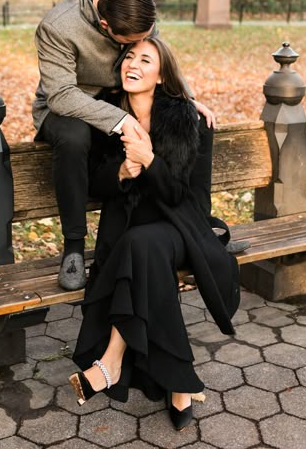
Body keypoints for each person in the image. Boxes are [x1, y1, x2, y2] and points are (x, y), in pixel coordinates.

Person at [69, 36, 240, 432]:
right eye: (130, 56)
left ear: (161, 75)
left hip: (183, 229)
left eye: (146, 60)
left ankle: (111, 362)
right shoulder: (108, 117)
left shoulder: (188, 119)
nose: (134, 64)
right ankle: (177, 381)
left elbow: (188, 197)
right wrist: (121, 173)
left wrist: (149, 161)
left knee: (142, 244)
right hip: (134, 238)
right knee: (139, 247)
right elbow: (94, 180)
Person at [33, 0, 219, 291]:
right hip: (67, 108)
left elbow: (157, 55)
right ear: (105, 25)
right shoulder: (58, 27)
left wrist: (183, 98)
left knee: (179, 120)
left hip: (122, 97)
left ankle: (192, 233)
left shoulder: (135, 9)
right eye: (130, 42)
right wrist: (120, 120)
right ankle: (74, 249)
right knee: (75, 135)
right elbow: (61, 94)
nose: (137, 44)